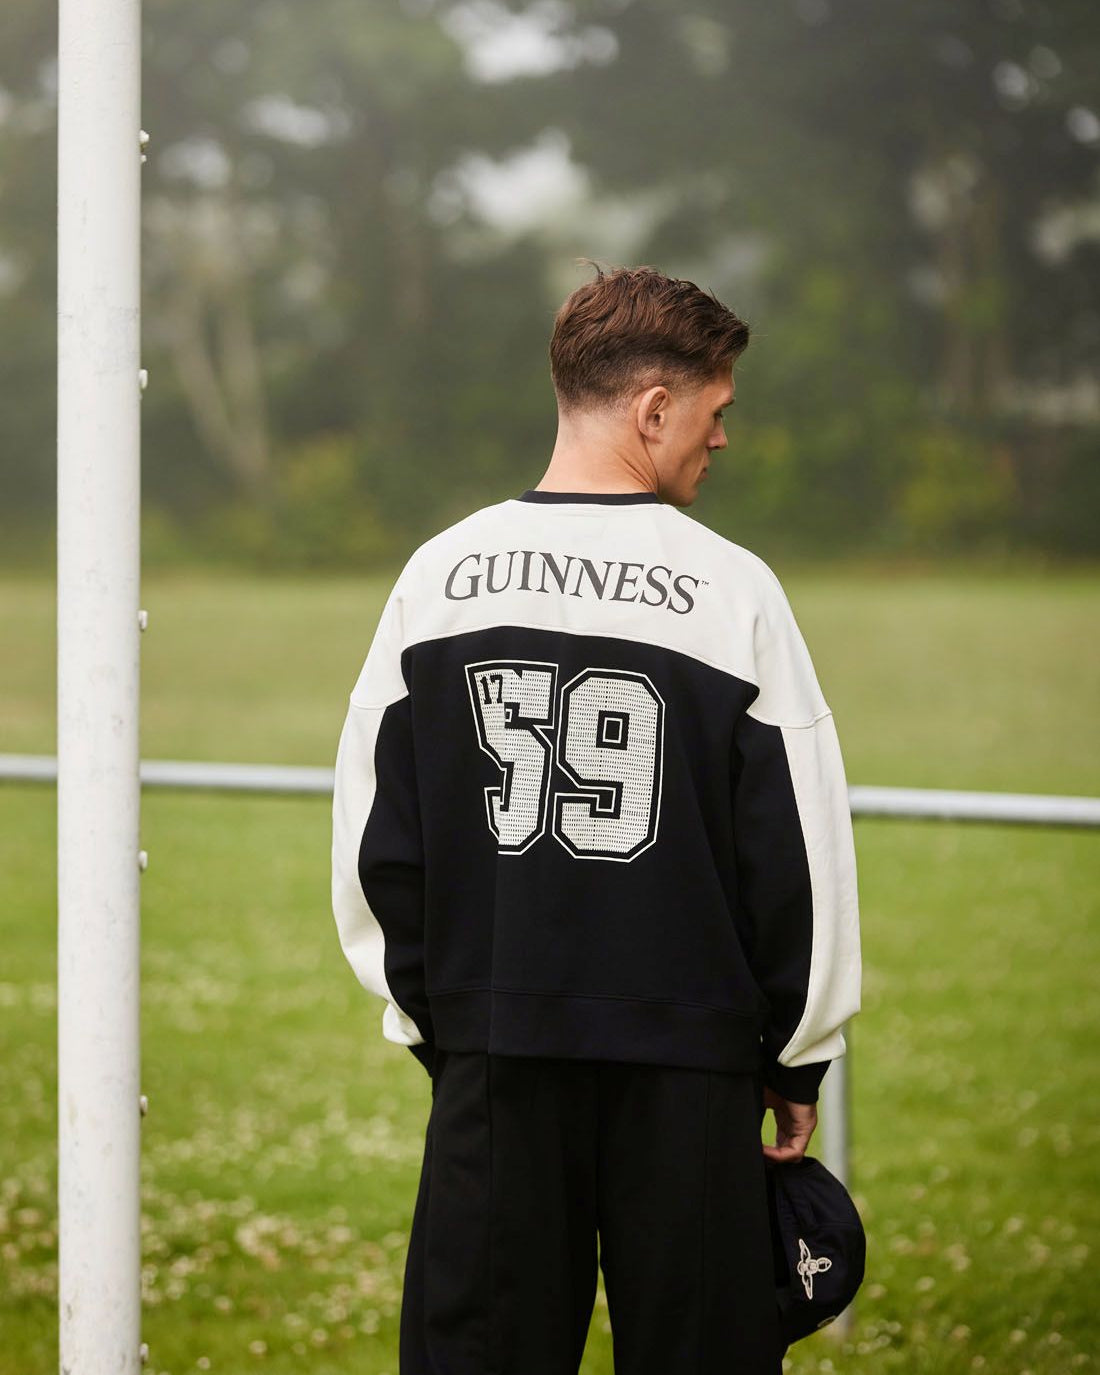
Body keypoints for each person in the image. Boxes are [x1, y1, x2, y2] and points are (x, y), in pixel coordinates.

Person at [330, 264, 862, 1375]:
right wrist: (796, 1059)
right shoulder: (733, 592)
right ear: (653, 408)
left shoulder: (438, 576)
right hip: (688, 1066)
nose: (721, 441)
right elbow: (797, 858)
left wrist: (442, 1028)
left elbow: (377, 840)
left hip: (494, 1052)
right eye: (715, 413)